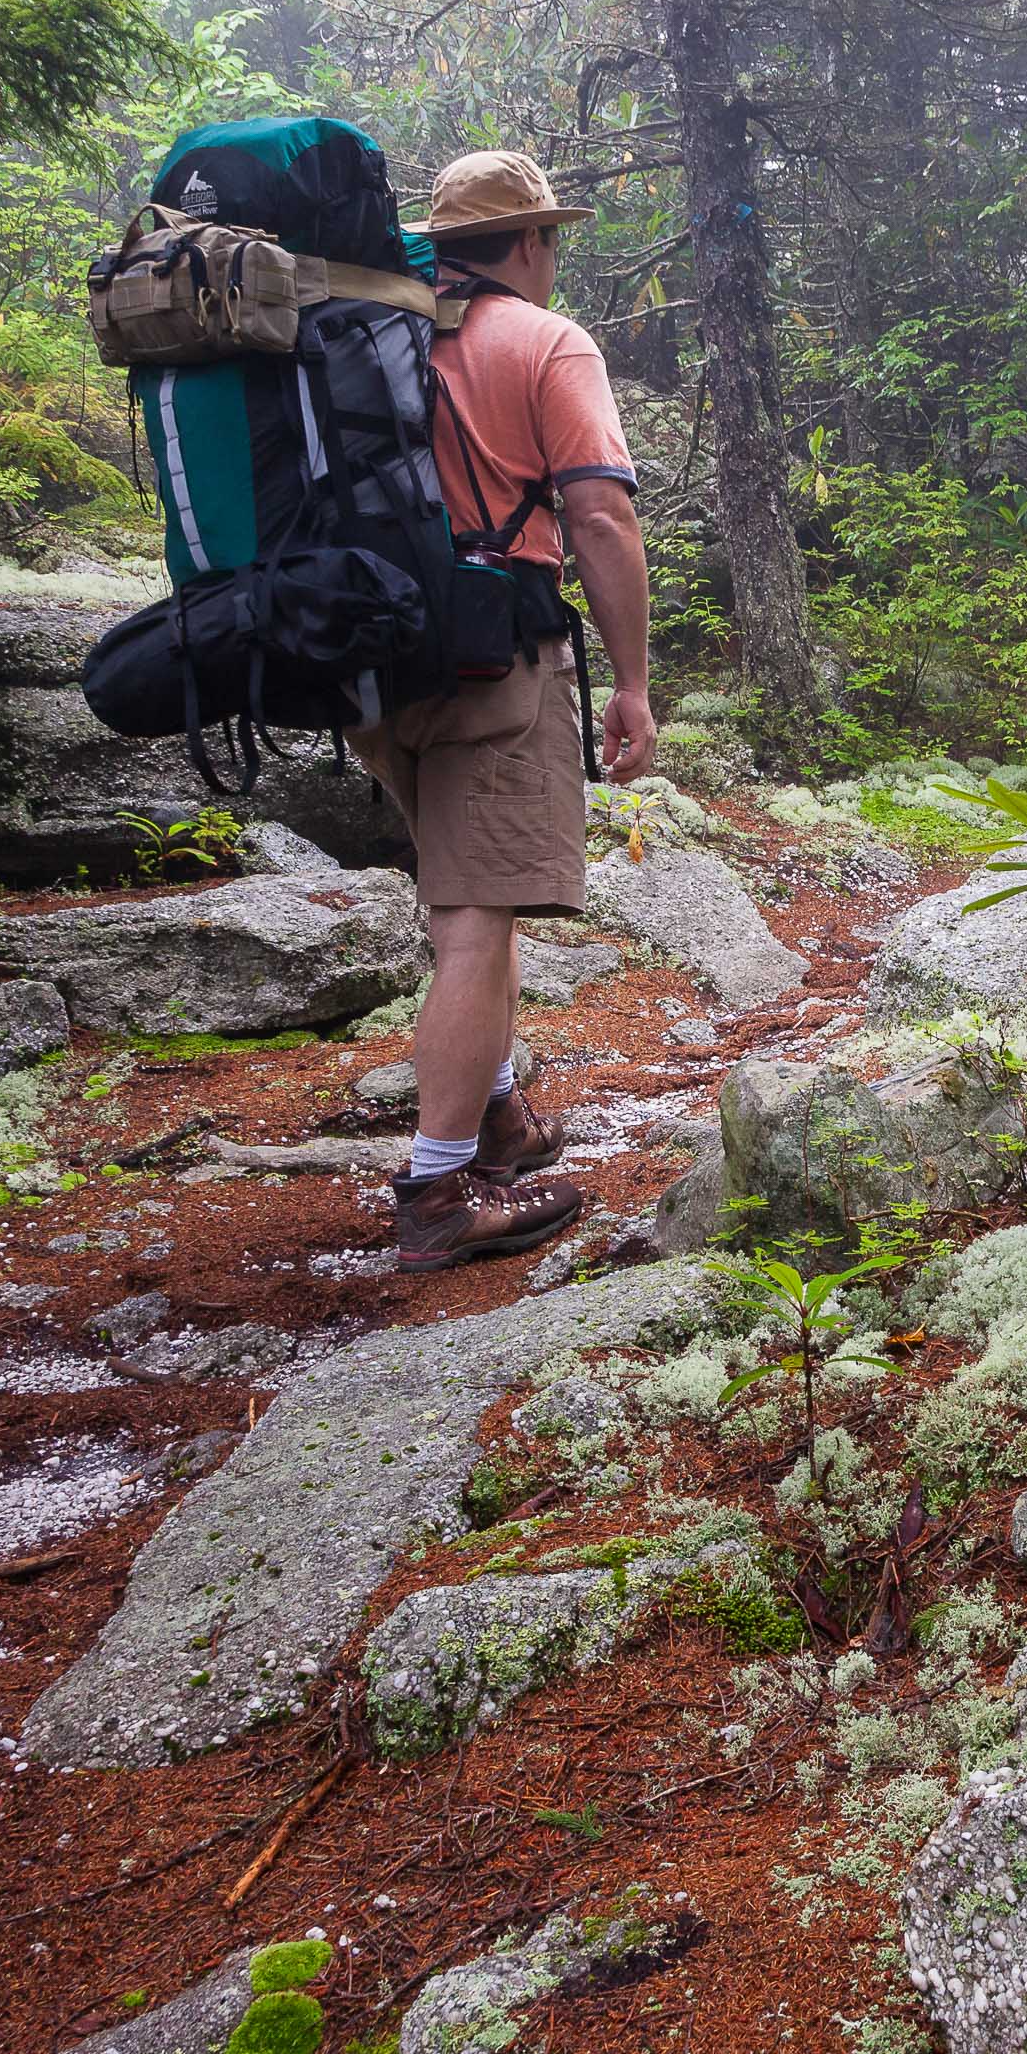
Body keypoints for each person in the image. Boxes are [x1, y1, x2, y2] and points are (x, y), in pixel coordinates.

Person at [349, 148, 658, 1270]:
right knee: (482, 917)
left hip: (375, 664)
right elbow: (600, 520)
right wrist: (630, 682)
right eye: (550, 240)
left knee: (464, 905)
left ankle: (495, 1118)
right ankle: (438, 1192)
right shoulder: (542, 340)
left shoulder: (374, 337)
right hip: (495, 661)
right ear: (529, 242)